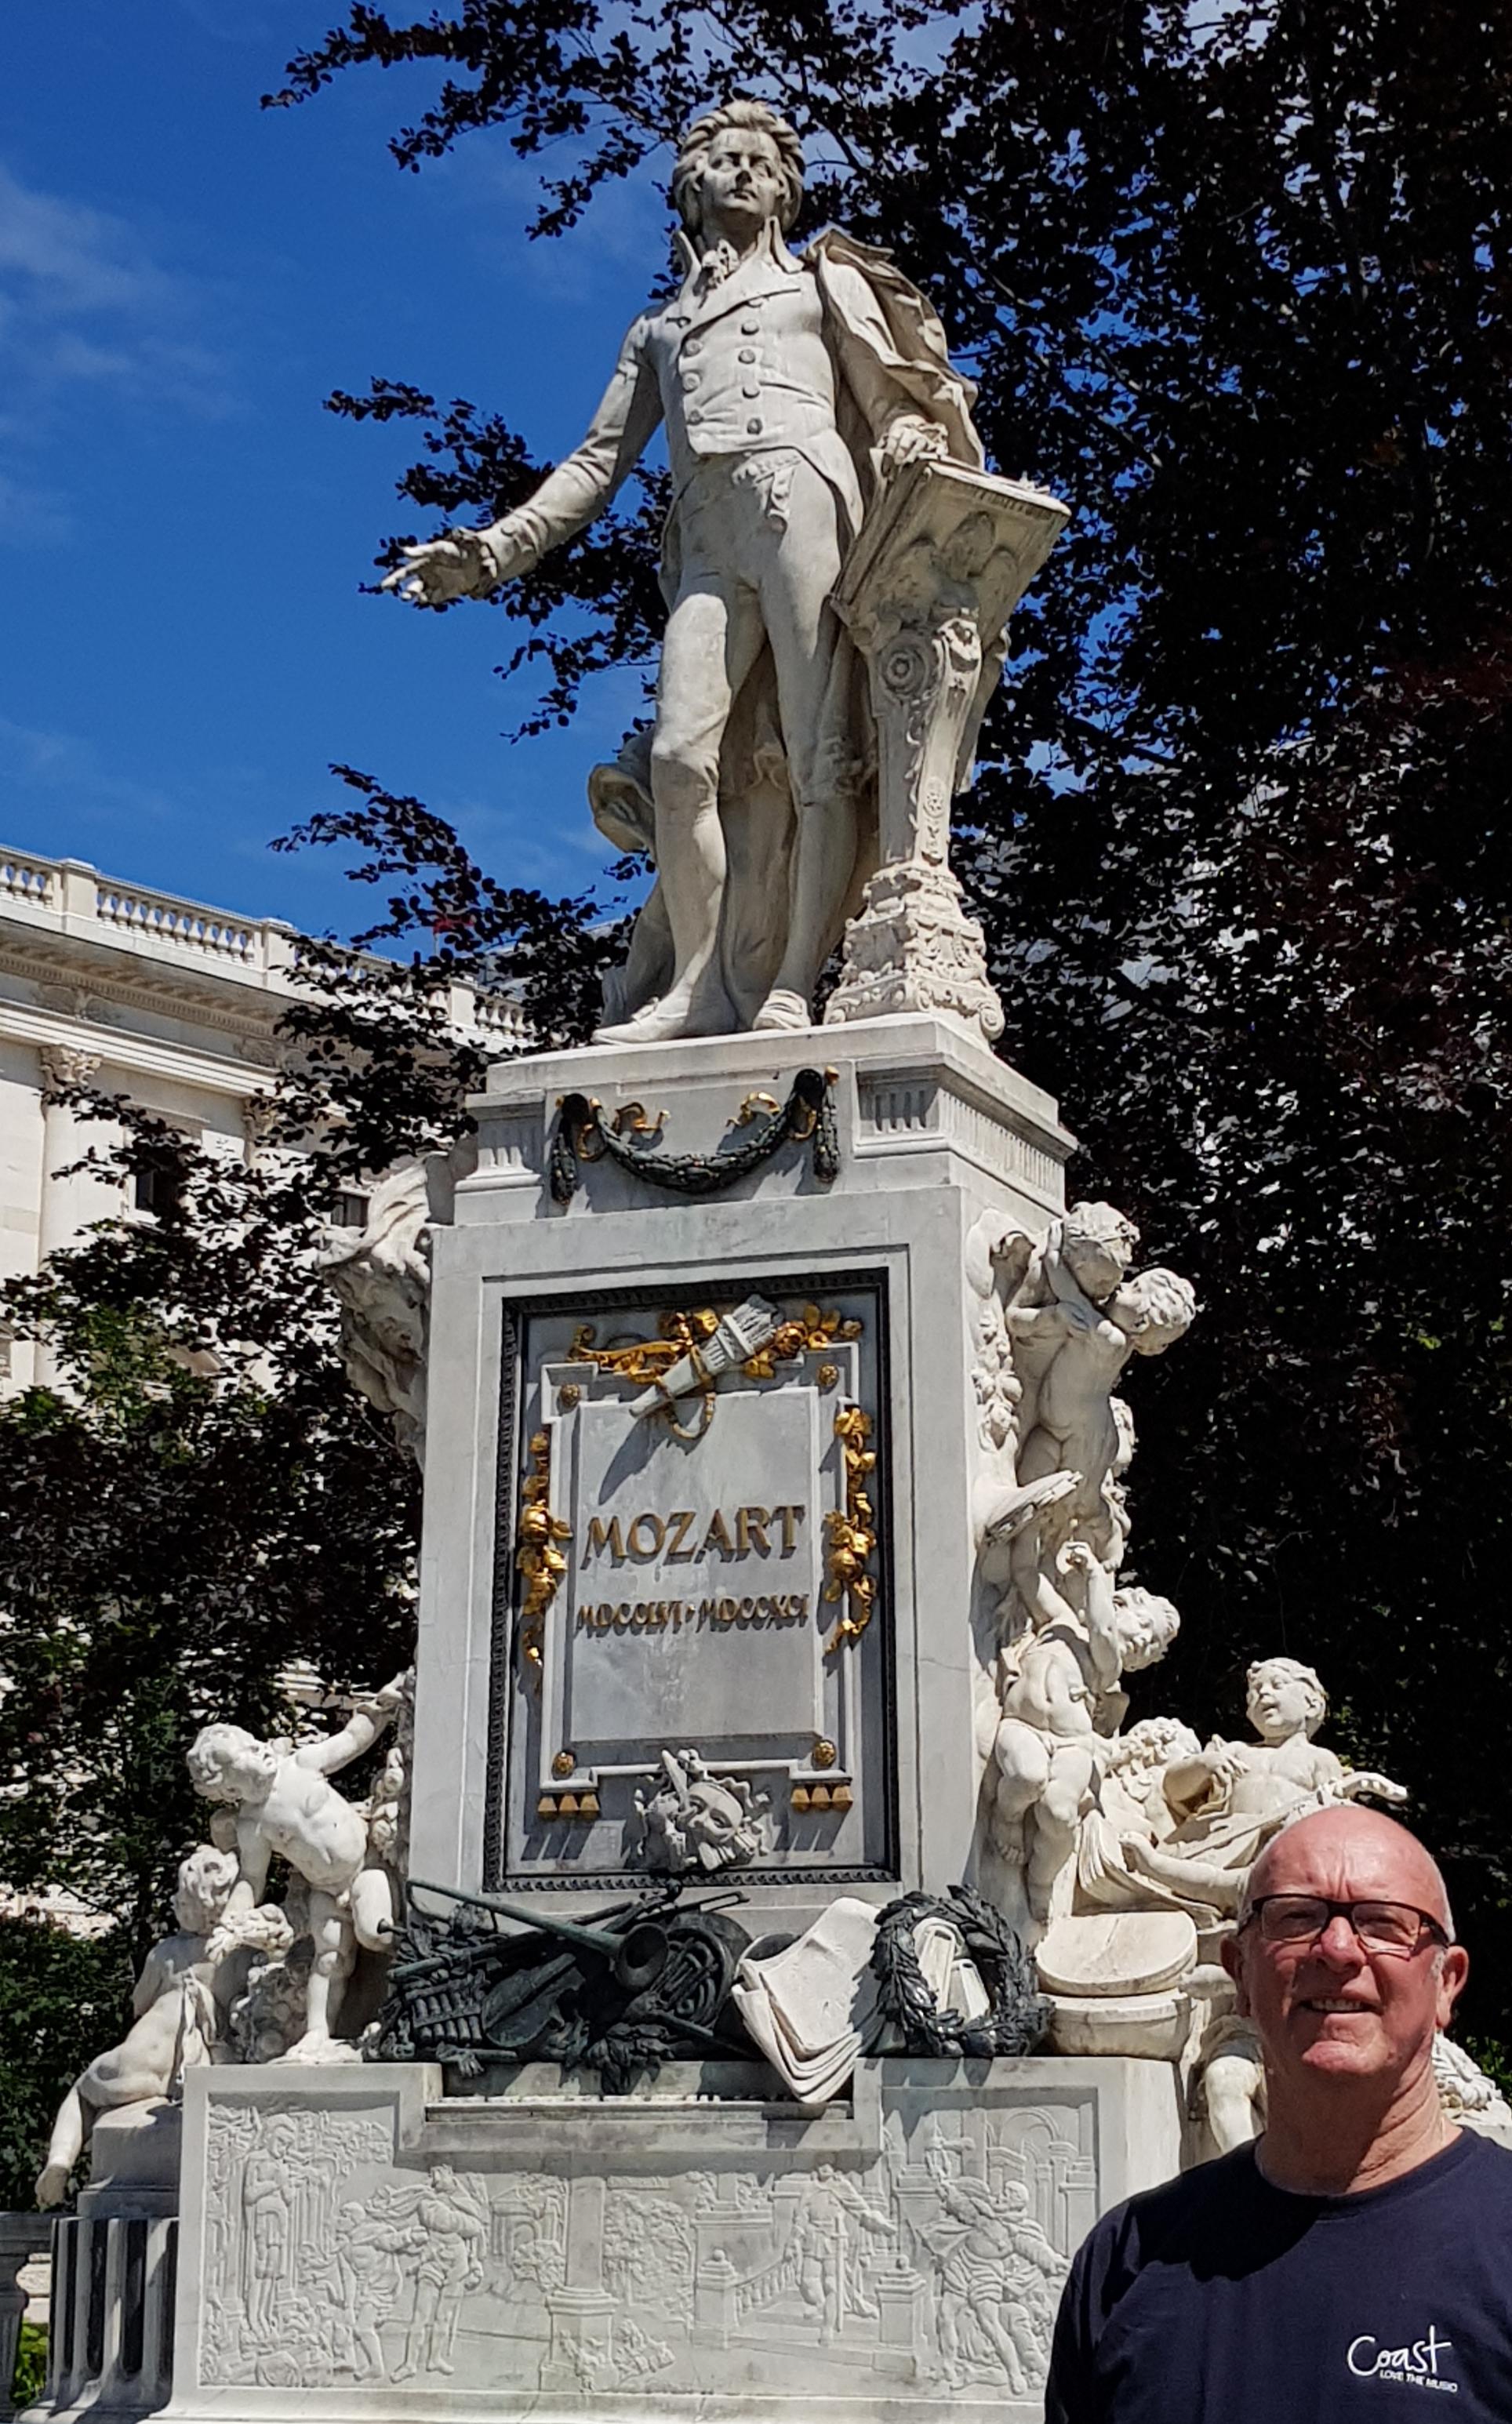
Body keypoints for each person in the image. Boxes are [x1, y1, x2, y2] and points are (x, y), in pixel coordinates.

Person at [384, 99, 983, 1044]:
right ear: (689, 191)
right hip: (706, 540)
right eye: (723, 161)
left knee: (818, 752)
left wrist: (909, 431)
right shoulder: (658, 330)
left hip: (804, 502)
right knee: (677, 758)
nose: (743, 172)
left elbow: (890, 397)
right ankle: (700, 988)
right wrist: (493, 551)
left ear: (786, 188)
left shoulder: (820, 285)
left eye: (761, 162)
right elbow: (593, 466)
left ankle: (791, 982)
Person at [1044, 1803, 1512, 2419]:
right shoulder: (1128, 2257)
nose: (1339, 1948)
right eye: (1297, 1917)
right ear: (1240, 1971)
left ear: (1446, 1981)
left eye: (1382, 1922)